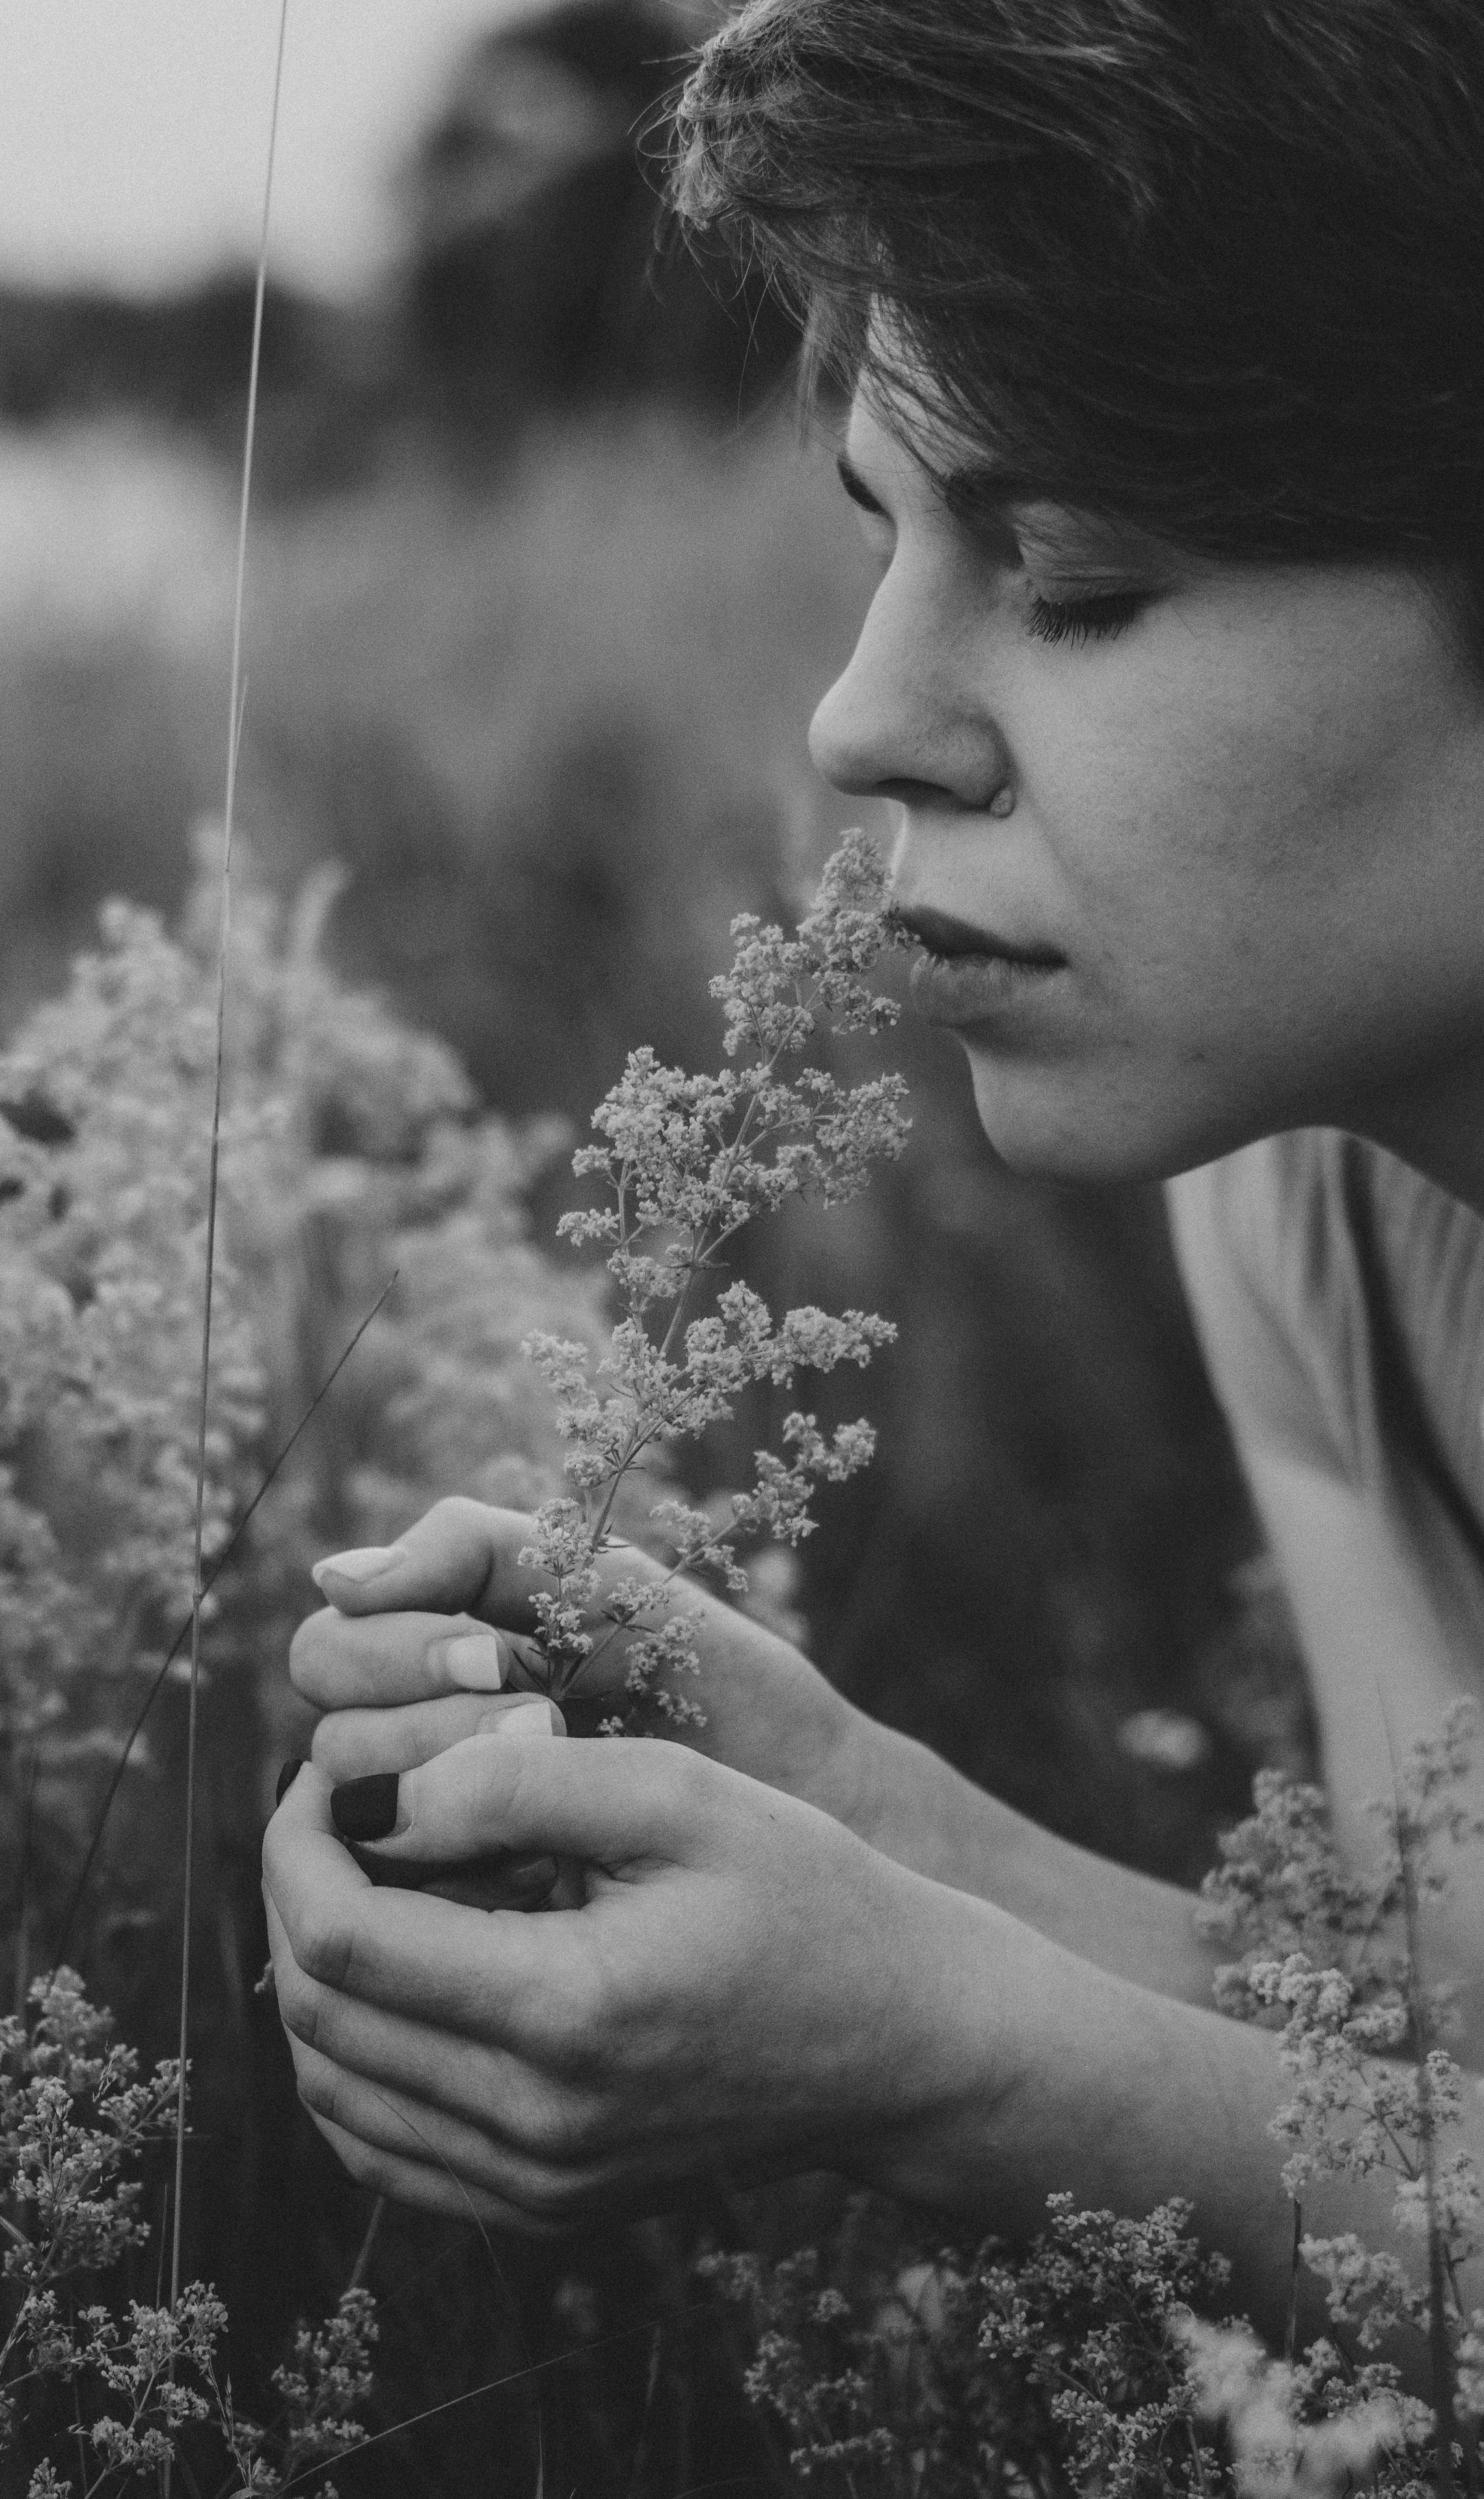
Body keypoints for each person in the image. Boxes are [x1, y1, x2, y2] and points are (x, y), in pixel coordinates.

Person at [262, 0, 1484, 2338]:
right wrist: (879, 1829)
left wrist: (965, 2065)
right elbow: (1432, 2073)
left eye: (1080, 576)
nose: (857, 719)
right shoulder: (1304, 1189)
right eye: (889, 529)